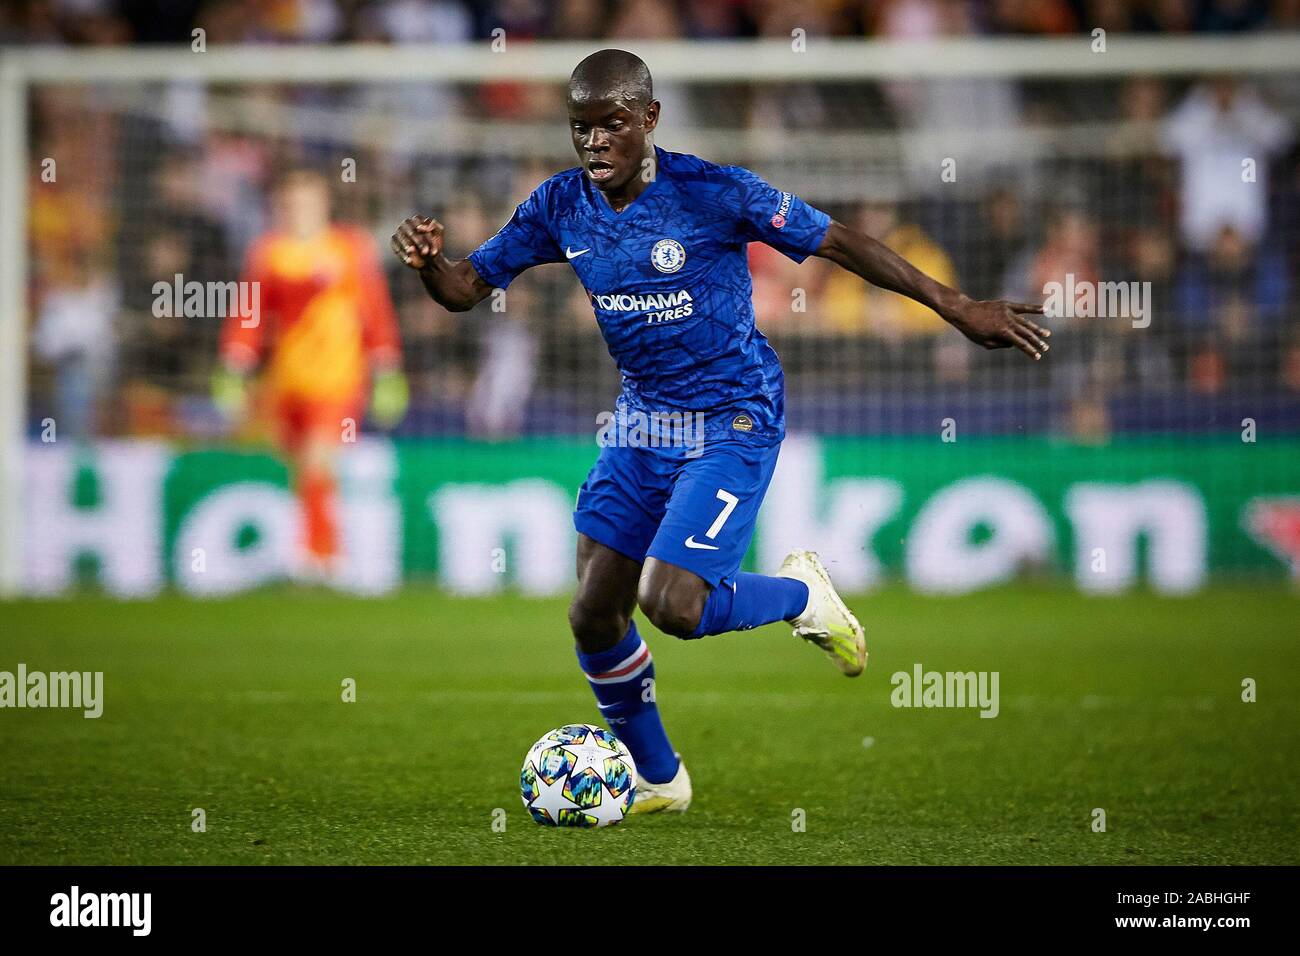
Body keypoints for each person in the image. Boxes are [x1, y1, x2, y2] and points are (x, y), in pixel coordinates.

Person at [392, 50, 1048, 814]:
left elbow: (837, 242)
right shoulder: (557, 206)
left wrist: (957, 305)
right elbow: (467, 288)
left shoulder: (714, 190)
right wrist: (429, 264)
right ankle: (661, 780)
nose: (595, 143)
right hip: (643, 418)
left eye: (611, 125)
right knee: (594, 610)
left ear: (649, 119)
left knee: (672, 604)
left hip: (733, 413)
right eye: (581, 128)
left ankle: (802, 594)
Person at [215, 168, 408, 582]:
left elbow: (373, 312)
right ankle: (320, 547)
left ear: (323, 204)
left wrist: (387, 369)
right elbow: (249, 315)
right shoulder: (268, 252)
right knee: (302, 467)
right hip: (286, 382)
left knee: (319, 459)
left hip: (338, 379)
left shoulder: (349, 248)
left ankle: (320, 555)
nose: (298, 210)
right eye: (290, 204)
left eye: (306, 202)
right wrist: (234, 365)